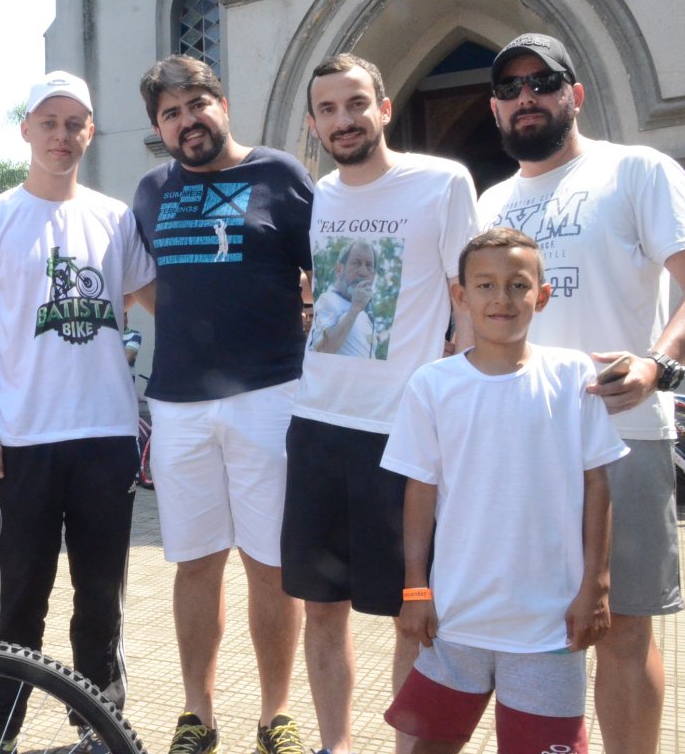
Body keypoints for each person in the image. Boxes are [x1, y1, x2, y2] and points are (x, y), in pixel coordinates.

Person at [477, 32, 685, 754]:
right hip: (518, 445)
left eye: (543, 82)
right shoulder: (491, 201)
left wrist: (660, 365)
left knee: (622, 627)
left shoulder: (636, 170)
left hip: (621, 433)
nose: (526, 97)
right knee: (534, 630)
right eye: (510, 88)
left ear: (574, 95)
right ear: (495, 108)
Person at [282, 54, 478, 754]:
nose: (344, 120)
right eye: (328, 109)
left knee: (412, 614)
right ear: (313, 124)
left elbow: (467, 299)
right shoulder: (318, 197)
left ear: (384, 108)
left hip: (403, 435)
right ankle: (334, 745)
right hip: (316, 427)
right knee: (321, 611)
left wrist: (456, 406)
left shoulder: (442, 182)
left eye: (356, 104)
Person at [0, 71, 155, 750]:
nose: (62, 135)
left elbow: (160, 300)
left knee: (100, 601)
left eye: (75, 124)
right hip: (23, 439)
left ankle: (100, 728)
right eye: (49, 122)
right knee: (20, 600)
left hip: (105, 435)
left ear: (90, 133)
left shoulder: (115, 217)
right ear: (26, 130)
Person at [130, 55, 314, 754]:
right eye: (171, 114)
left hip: (270, 396)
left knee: (270, 563)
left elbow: (325, 268)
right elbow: (145, 282)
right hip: (179, 405)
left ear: (223, 105)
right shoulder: (151, 190)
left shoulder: (279, 175)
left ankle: (275, 715)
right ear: (159, 128)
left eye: (197, 105)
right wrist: (190, 322)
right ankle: (197, 713)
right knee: (196, 562)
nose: (187, 121)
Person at [381, 228, 624, 754]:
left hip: (550, 629)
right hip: (455, 622)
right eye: (486, 285)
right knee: (431, 745)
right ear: (461, 295)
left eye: (518, 285)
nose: (502, 299)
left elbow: (596, 483)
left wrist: (596, 586)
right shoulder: (432, 384)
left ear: (543, 294)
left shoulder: (572, 375)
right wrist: (416, 590)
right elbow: (420, 492)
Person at [309, 239, 376, 357]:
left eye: (369, 265)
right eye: (357, 263)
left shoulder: (366, 316)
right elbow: (325, 350)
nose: (363, 272)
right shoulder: (327, 300)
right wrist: (355, 308)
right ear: (339, 270)